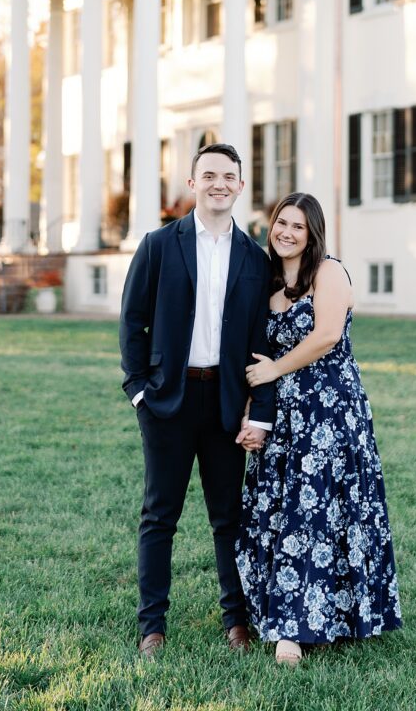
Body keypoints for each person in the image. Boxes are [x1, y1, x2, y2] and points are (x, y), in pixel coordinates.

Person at [119, 143, 276, 658]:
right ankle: (152, 628)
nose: (219, 184)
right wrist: (139, 389)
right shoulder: (160, 245)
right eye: (208, 175)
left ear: (240, 185)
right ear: (192, 183)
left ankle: (236, 621)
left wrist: (261, 411)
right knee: (159, 515)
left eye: (228, 176)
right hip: (168, 399)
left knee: (228, 517)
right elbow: (132, 321)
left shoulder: (256, 258)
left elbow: (263, 344)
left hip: (227, 404)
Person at [236, 192, 402, 665]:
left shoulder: (329, 271)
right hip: (284, 416)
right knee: (278, 510)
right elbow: (253, 356)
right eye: (281, 223)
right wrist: (255, 409)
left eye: (298, 226)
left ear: (313, 234)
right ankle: (289, 613)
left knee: (316, 513)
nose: (286, 232)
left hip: (330, 410)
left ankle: (299, 629)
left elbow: (327, 335)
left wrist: (274, 370)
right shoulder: (266, 280)